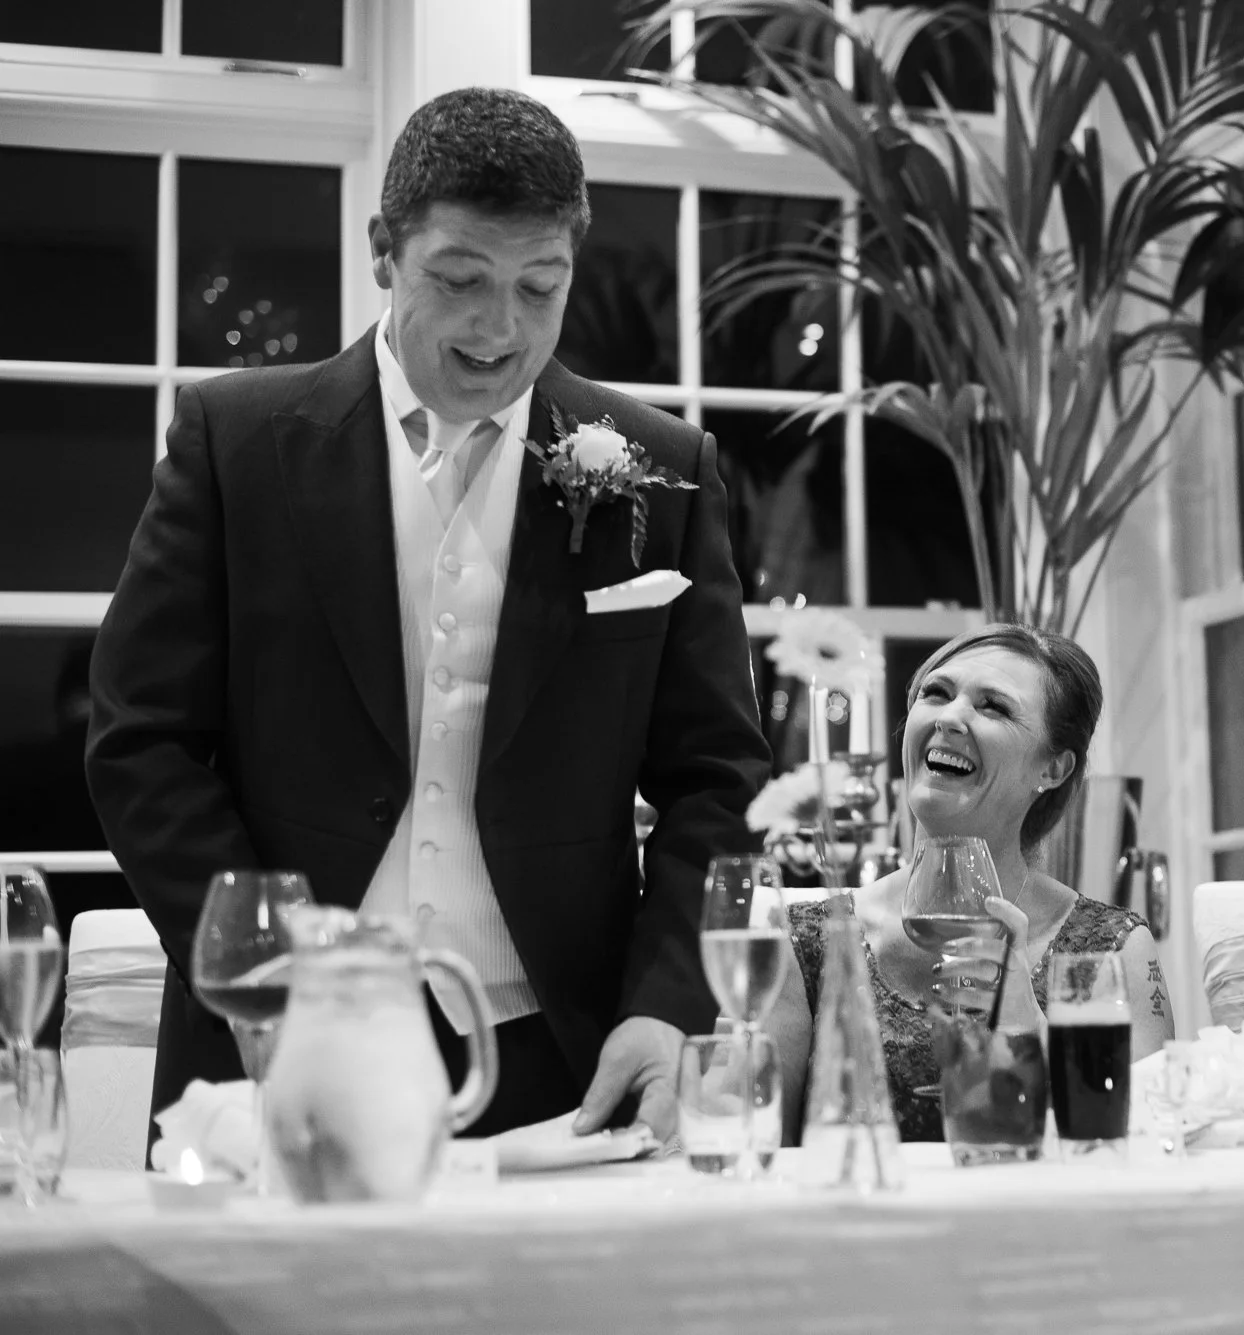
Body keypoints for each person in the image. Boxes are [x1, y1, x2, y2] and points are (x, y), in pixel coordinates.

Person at [86, 87, 770, 1141]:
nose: (500, 327)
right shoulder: (236, 442)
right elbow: (142, 740)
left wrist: (669, 1004)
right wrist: (264, 962)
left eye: (540, 287)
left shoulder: (665, 466)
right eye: (460, 279)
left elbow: (717, 779)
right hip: (280, 1042)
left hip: (566, 1052)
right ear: (384, 251)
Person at [771, 624, 1172, 1142]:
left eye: (993, 707)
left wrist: (1028, 1029)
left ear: (1052, 768)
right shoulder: (805, 940)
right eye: (936, 693)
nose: (950, 716)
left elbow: (1145, 1154)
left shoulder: (1114, 951)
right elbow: (744, 1145)